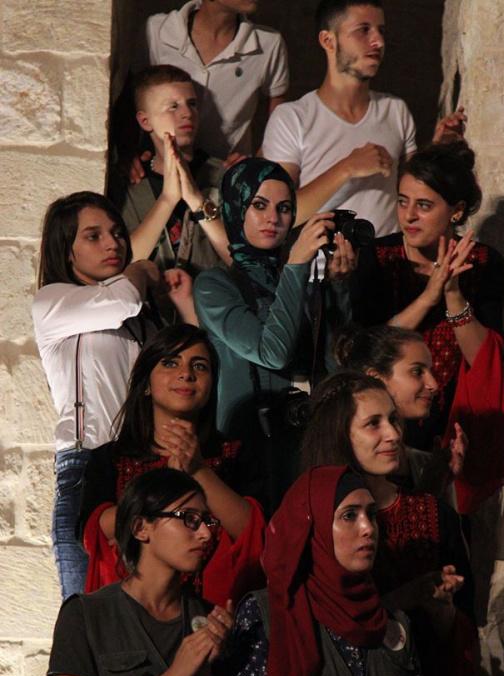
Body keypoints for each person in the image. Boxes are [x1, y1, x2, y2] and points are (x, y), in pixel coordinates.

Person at [301, 371, 489, 676]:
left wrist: (441, 610)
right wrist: (406, 597)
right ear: (339, 435)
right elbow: (314, 626)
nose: (392, 434)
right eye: (373, 423)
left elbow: (462, 629)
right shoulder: (311, 520)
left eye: (394, 420)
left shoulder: (433, 515)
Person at [231, 464, 440, 676]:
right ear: (310, 526)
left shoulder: (392, 625)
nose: (367, 528)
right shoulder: (269, 616)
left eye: (371, 515)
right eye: (349, 516)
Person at [48, 467, 235, 676]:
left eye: (208, 521)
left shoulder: (206, 619)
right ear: (140, 528)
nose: (206, 534)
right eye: (189, 519)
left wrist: (202, 670)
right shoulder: (86, 616)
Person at [193, 156, 356, 512]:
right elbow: (272, 352)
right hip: (247, 450)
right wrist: (297, 264)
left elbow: (334, 366)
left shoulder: (299, 282)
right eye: (259, 205)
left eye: (284, 208)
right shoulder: (214, 285)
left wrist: (338, 288)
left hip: (305, 441)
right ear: (236, 209)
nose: (273, 218)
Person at [355, 141, 504, 511]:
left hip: (452, 424)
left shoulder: (484, 262)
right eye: (402, 201)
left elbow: (486, 358)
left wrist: (453, 293)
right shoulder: (378, 258)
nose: (408, 216)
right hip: (384, 421)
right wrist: (428, 296)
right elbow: (367, 348)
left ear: (456, 211)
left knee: (445, 529)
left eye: (424, 205)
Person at [32, 191, 163, 600]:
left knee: (146, 610)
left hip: (143, 466)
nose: (113, 243)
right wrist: (140, 270)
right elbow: (122, 298)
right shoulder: (52, 301)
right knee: (86, 615)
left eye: (117, 233)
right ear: (66, 250)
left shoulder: (140, 322)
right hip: (85, 464)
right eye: (93, 236)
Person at [79, 323, 265, 606]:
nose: (186, 374)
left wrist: (198, 470)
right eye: (170, 363)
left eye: (200, 366)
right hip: (134, 615)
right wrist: (165, 486)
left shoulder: (236, 454)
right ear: (146, 385)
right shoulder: (110, 458)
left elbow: (254, 534)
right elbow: (94, 532)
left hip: (216, 614)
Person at [262, 0, 466, 232]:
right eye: (363, 30)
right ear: (328, 41)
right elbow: (276, 213)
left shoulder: (395, 110)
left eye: (381, 31)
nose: (378, 42)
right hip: (322, 254)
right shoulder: (292, 118)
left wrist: (437, 151)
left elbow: (411, 191)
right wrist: (347, 168)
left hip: (388, 253)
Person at [112, 65, 231, 290]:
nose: (187, 113)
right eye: (173, 106)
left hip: (211, 305)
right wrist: (167, 199)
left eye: (192, 104)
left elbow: (243, 263)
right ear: (145, 121)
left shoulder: (224, 176)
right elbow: (122, 263)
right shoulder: (132, 183)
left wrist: (198, 201)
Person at [144, 0, 289, 161]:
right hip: (161, 164)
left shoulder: (268, 43)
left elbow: (278, 107)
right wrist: (128, 152)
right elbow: (133, 92)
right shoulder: (157, 30)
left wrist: (258, 163)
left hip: (227, 169)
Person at [335, 324, 467, 500]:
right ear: (376, 378)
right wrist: (431, 487)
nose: (434, 385)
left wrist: (442, 480)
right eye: (417, 372)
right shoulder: (348, 467)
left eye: (430, 371)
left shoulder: (422, 462)